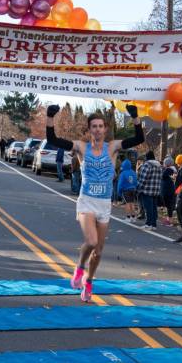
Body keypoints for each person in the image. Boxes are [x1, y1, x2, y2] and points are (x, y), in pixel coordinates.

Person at [45, 104, 144, 302]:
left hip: (104, 204)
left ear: (105, 129)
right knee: (91, 242)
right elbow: (52, 140)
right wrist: (50, 117)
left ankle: (89, 281)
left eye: (100, 126)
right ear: (89, 129)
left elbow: (139, 139)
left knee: (98, 251)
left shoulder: (113, 147)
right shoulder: (81, 148)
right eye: (94, 126)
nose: (97, 129)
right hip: (87, 202)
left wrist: (135, 118)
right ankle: (80, 268)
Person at [137, 150, 162, 230]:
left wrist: (138, 188)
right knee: (154, 207)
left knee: (148, 208)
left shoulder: (147, 165)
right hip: (156, 190)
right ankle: (154, 224)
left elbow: (142, 179)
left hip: (147, 190)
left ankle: (148, 224)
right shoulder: (159, 166)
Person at [161, 156, 176, 226]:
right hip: (170, 189)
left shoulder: (168, 170)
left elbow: (162, 176)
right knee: (169, 206)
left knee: (169, 205)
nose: (163, 164)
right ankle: (169, 219)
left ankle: (170, 221)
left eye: (164, 163)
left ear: (167, 163)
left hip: (168, 190)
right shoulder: (173, 170)